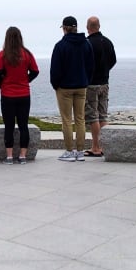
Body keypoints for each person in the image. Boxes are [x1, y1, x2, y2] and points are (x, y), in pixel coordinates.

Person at [0, 26, 40, 164]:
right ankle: (23, 156)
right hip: (24, 94)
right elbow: (35, 71)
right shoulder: (26, 54)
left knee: (9, 126)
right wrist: (26, 80)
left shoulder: (3, 54)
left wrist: (2, 84)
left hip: (7, 94)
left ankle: (9, 156)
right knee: (23, 125)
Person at [50, 16, 93, 162]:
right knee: (80, 119)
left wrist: (56, 84)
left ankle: (69, 151)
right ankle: (80, 151)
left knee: (67, 120)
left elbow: (55, 70)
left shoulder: (60, 46)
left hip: (65, 88)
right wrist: (86, 81)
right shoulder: (86, 44)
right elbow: (90, 66)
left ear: (64, 28)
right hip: (81, 86)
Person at [84, 16, 117, 157]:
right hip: (105, 83)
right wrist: (105, 71)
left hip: (91, 84)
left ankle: (96, 147)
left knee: (93, 117)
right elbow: (113, 60)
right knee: (103, 116)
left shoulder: (88, 43)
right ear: (99, 26)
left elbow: (84, 63)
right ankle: (106, 146)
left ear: (88, 27)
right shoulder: (108, 42)